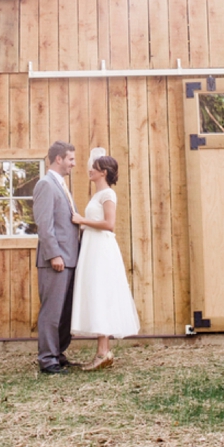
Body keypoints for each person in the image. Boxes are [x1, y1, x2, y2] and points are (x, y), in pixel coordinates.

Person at [70, 153, 140, 370]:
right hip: (93, 247)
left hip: (102, 250)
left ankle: (103, 352)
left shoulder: (108, 194)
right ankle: (103, 352)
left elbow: (110, 224)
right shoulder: (98, 194)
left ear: (104, 173)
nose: (90, 170)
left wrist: (82, 220)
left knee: (102, 293)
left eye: (95, 168)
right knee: (97, 294)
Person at [32, 141, 81, 374]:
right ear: (59, 159)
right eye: (70, 159)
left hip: (70, 260)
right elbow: (44, 225)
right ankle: (47, 360)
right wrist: (54, 255)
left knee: (64, 313)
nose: (74, 163)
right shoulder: (46, 184)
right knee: (51, 312)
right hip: (56, 261)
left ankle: (58, 353)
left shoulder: (61, 186)